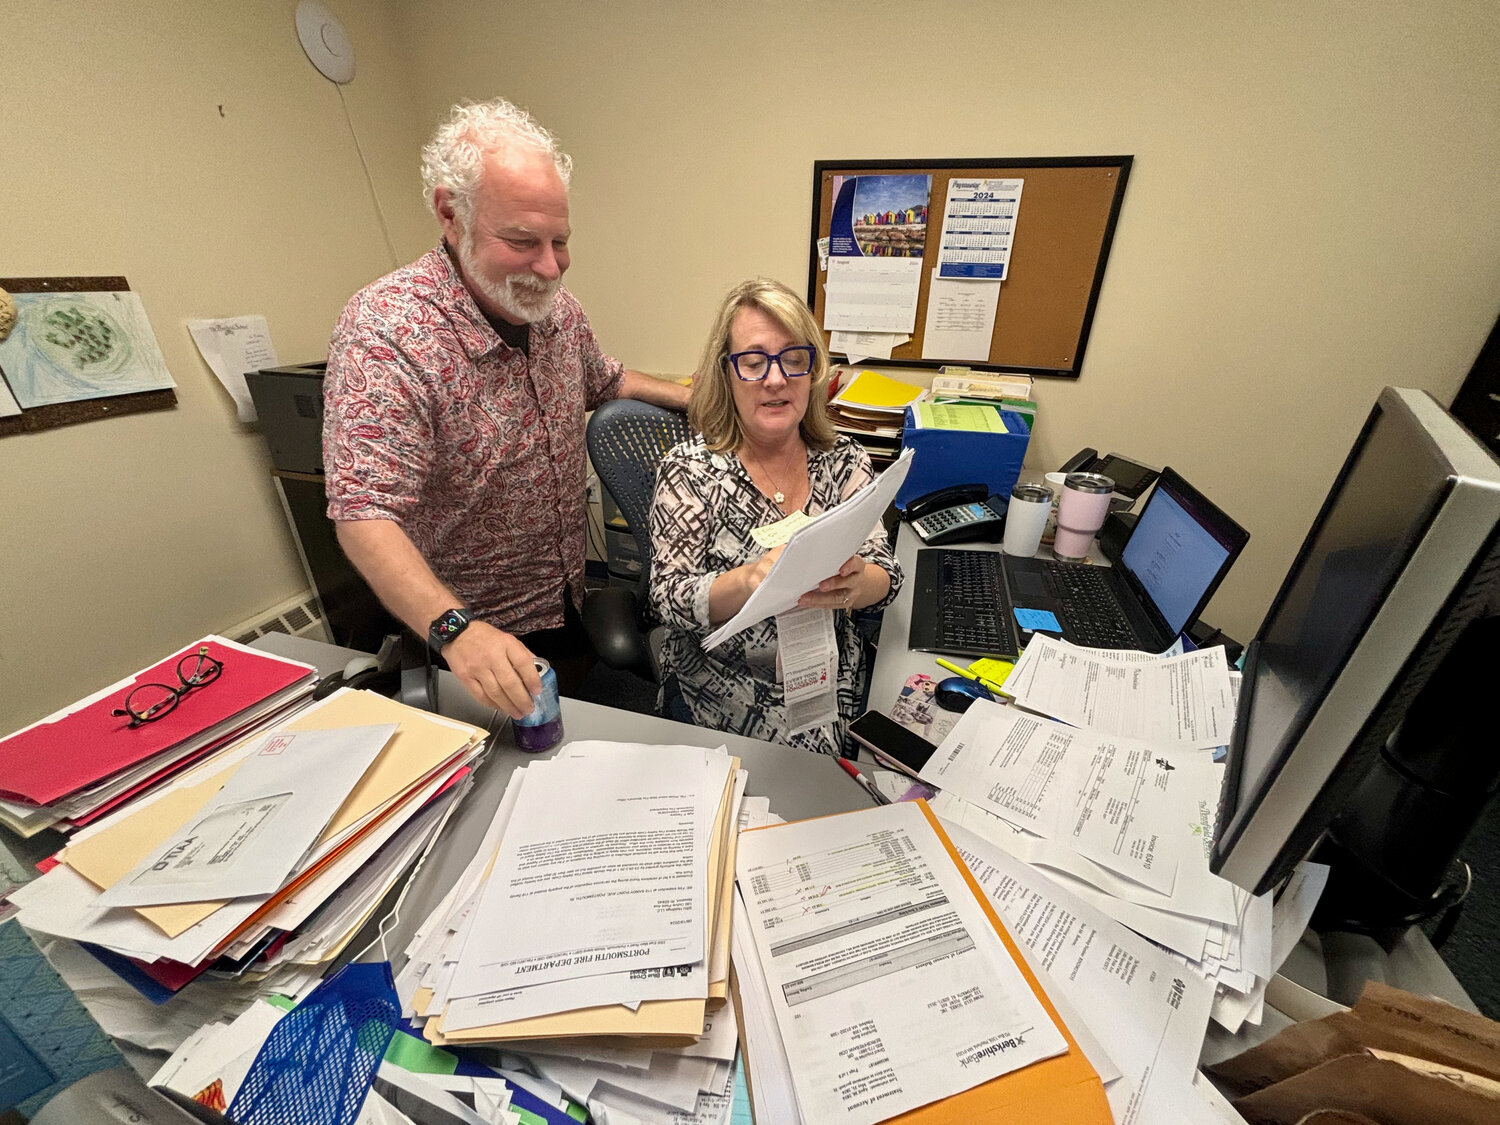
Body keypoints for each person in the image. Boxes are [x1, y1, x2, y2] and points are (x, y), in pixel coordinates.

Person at [323, 98, 687, 719]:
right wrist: (455, 631)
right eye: (521, 241)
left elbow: (605, 379)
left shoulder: (558, 313)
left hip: (563, 601)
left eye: (560, 242)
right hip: (469, 633)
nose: (549, 267)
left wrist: (703, 396)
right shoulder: (386, 331)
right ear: (450, 214)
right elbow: (364, 514)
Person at [648, 278, 903, 755]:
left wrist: (856, 582)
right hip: (722, 693)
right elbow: (668, 599)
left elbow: (887, 578)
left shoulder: (844, 460)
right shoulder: (691, 470)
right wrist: (749, 581)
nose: (775, 379)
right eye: (753, 361)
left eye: (792, 358)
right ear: (726, 373)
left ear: (813, 371)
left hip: (824, 685)